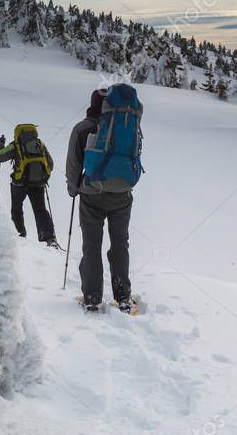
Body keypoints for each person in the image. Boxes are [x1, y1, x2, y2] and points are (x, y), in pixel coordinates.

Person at [66, 89, 136, 312]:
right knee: (120, 243)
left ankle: (92, 297)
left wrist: (73, 188)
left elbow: (74, 165)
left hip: (92, 194)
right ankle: (123, 296)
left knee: (92, 245)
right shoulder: (127, 123)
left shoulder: (82, 128)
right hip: (122, 194)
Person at [0, 124, 59, 248]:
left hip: (19, 183)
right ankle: (49, 238)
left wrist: (0, 144)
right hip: (38, 184)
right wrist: (42, 177)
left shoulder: (16, 145)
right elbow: (50, 163)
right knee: (41, 210)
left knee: (17, 208)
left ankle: (19, 234)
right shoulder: (40, 144)